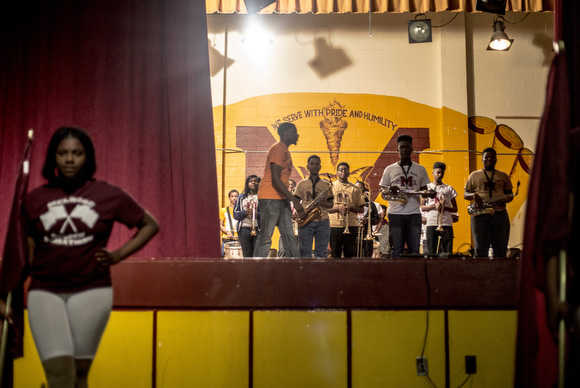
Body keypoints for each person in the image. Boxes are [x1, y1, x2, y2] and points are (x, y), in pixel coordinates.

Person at [15, 127, 159, 388]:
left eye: (77, 153)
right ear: (53, 158)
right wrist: (5, 295)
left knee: (80, 375)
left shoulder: (107, 194)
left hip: (92, 290)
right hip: (45, 292)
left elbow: (150, 224)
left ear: (87, 157)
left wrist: (117, 255)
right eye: (63, 153)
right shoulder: (35, 199)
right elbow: (25, 254)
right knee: (60, 377)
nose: (69, 159)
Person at [253, 123, 305, 258]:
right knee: (266, 235)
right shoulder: (277, 149)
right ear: (286, 133)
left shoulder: (285, 150)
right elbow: (276, 180)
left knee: (289, 235)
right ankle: (255, 268)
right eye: (294, 132)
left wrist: (289, 199)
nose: (297, 135)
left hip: (281, 199)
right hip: (270, 197)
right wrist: (294, 200)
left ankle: (298, 267)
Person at [379, 134, 433, 258]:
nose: (404, 150)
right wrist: (389, 190)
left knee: (414, 249)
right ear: (397, 150)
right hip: (395, 213)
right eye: (401, 147)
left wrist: (429, 193)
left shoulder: (420, 169)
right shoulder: (389, 169)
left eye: (407, 147)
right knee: (396, 249)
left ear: (412, 150)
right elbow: (383, 193)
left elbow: (425, 190)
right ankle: (395, 276)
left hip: (414, 213)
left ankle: (414, 276)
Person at [464, 147, 514, 258]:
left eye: (492, 157)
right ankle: (481, 274)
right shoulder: (474, 175)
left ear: (496, 159)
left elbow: (510, 195)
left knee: (501, 249)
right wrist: (473, 195)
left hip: (500, 214)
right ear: (482, 159)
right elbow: (465, 195)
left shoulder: (503, 175)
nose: (489, 159)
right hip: (480, 215)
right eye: (486, 157)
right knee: (481, 249)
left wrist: (506, 199)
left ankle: (498, 274)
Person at [294, 155, 333, 258]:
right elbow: (296, 200)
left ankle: (320, 273)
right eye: (312, 164)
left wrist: (325, 204)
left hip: (323, 220)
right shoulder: (301, 184)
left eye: (317, 164)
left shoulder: (326, 184)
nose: (314, 166)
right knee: (304, 252)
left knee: (321, 252)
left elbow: (331, 204)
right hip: (306, 220)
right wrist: (300, 211)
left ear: (320, 167)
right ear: (308, 167)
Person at [420, 162, 458, 255]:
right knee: (431, 252)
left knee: (446, 252)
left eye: (442, 173)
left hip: (446, 223)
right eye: (438, 172)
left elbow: (455, 208)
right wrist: (434, 206)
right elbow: (422, 207)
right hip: (431, 222)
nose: (440, 175)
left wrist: (445, 208)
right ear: (433, 173)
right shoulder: (427, 187)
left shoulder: (449, 188)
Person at [328, 162, 365, 258]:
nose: (343, 171)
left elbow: (361, 209)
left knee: (350, 254)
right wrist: (338, 208)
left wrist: (351, 208)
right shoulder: (330, 187)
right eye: (341, 170)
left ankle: (350, 273)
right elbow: (325, 208)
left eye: (345, 170)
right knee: (335, 253)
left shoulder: (355, 189)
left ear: (349, 173)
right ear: (337, 173)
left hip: (351, 225)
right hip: (334, 225)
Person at [233, 175, 260, 258]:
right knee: (247, 255)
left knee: (258, 255)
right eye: (251, 181)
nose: (253, 182)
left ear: (259, 183)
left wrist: (257, 215)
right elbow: (235, 215)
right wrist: (245, 213)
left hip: (258, 229)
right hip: (244, 229)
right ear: (247, 183)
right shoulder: (241, 198)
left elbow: (268, 214)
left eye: (255, 181)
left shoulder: (263, 197)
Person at [354, 181, 382, 257]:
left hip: (367, 233)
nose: (358, 190)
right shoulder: (351, 203)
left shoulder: (370, 204)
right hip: (354, 233)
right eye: (356, 188)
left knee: (367, 256)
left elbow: (377, 219)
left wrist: (368, 220)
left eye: (360, 188)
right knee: (354, 255)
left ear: (364, 189)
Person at [219, 189, 239, 256]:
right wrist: (227, 232)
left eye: (236, 196)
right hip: (227, 239)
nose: (234, 198)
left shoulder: (241, 211)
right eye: (232, 196)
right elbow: (219, 225)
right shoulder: (223, 210)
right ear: (229, 198)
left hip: (239, 238)